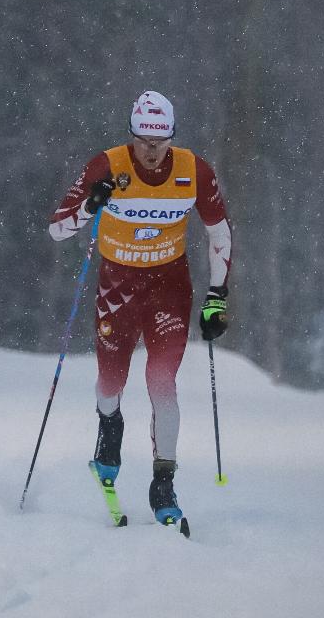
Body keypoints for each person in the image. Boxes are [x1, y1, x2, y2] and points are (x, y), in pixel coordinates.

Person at [49, 91, 231, 524]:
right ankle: (109, 426)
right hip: (118, 287)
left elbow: (220, 232)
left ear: (171, 137)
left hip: (169, 286)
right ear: (131, 136)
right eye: (142, 141)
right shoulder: (108, 165)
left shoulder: (194, 171)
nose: (150, 151)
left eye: (159, 142)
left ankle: (163, 485)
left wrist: (216, 297)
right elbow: (58, 229)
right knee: (111, 380)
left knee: (162, 380)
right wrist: (91, 206)